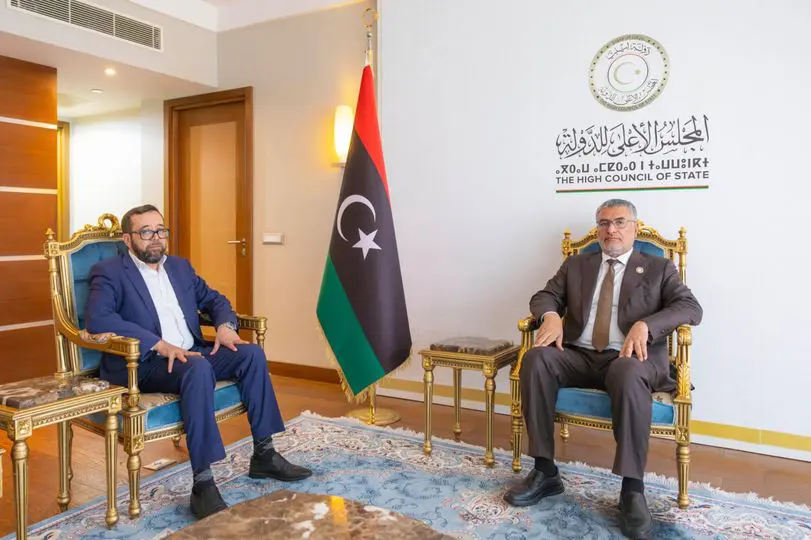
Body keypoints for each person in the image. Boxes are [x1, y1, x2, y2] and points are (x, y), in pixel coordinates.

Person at [85, 204, 312, 519]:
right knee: (198, 367)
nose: (156, 238)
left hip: (190, 352)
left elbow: (215, 300)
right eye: (146, 232)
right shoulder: (110, 271)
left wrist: (225, 326)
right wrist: (158, 343)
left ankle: (264, 454)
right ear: (127, 239)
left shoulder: (179, 267)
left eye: (161, 230)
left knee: (251, 355)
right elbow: (99, 319)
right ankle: (203, 483)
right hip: (145, 363)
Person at [504, 199, 702, 539]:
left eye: (620, 222)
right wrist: (550, 315)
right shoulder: (577, 264)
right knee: (536, 359)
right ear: (597, 229)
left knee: (628, 372)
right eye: (604, 223)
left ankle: (632, 490)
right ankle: (545, 471)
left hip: (628, 358)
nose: (611, 229)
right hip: (579, 354)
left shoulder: (659, 267)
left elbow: (690, 307)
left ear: (634, 228)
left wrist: (647, 325)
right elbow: (544, 295)